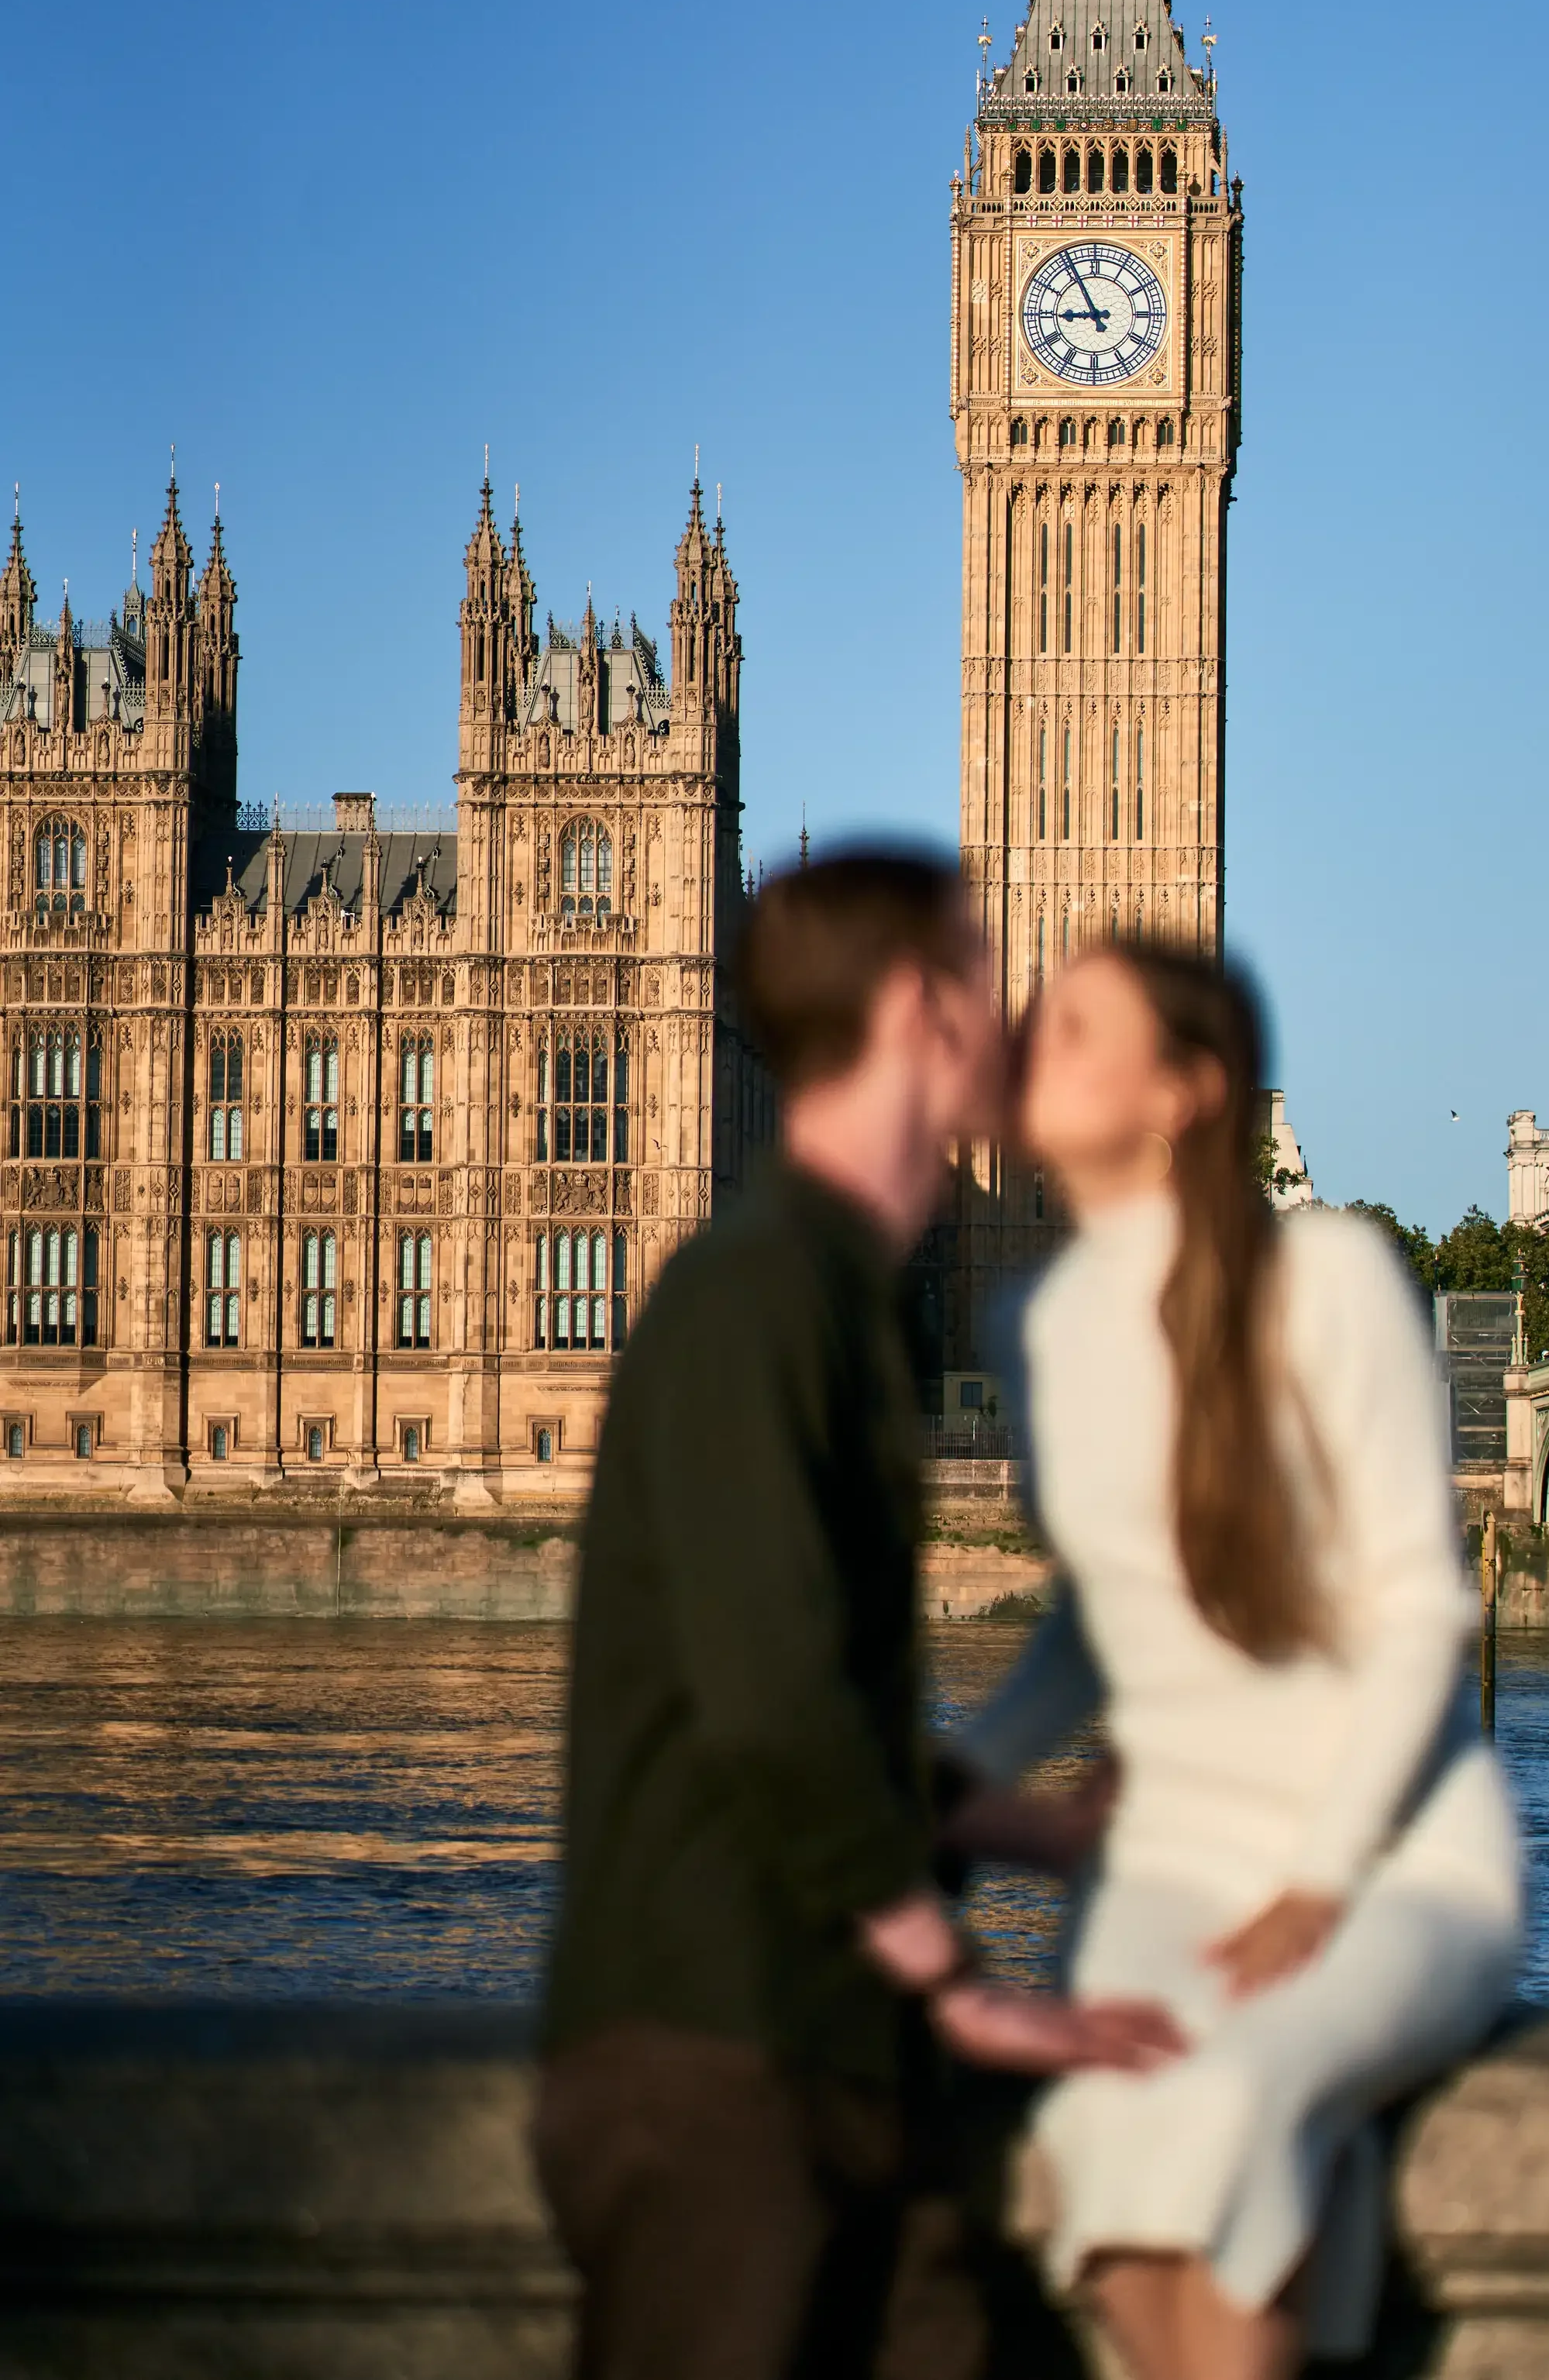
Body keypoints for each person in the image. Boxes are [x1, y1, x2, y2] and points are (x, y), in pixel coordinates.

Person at [535, 849, 1173, 2380]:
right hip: (719, 2056)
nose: (1005, 1008)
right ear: (912, 1010)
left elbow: (820, 1695)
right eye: (977, 969)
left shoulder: (829, 1286)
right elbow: (765, 1700)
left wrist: (1033, 1833)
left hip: (830, 2045)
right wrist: (954, 1977)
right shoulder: (754, 1292)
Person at [948, 941, 1525, 2380]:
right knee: (1098, 2152)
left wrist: (1318, 1882)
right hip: (1178, 1861)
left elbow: (1420, 1611)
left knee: (1239, 2089)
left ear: (1187, 1093)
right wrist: (969, 1765)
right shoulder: (1042, 1320)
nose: (1038, 1043)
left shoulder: (1326, 1276)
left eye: (1081, 1029)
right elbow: (1112, 1617)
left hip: (1387, 1855)